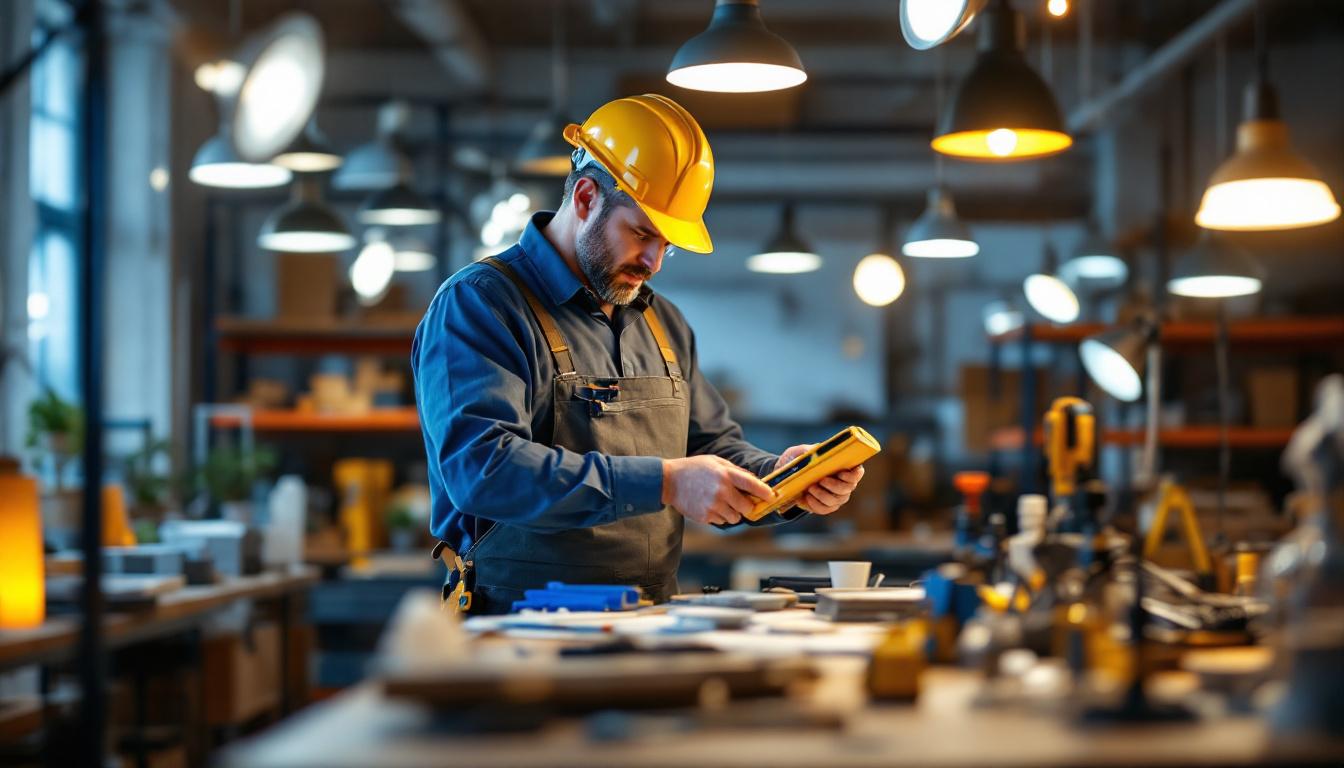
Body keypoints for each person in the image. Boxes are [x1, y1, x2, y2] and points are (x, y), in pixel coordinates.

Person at [412, 94, 865, 615]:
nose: (654, 261)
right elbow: (483, 470)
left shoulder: (662, 322)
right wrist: (665, 482)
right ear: (586, 198)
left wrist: (784, 479)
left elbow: (711, 446)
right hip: (516, 626)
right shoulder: (480, 305)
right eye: (642, 233)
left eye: (667, 244)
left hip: (650, 621)